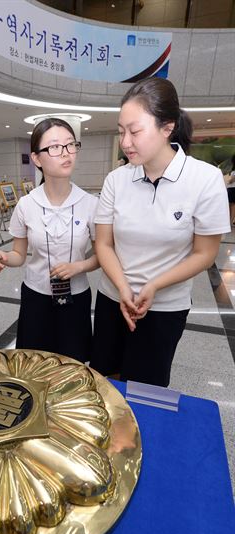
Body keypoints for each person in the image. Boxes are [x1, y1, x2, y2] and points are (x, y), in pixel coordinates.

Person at [90, 77, 230, 387]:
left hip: (165, 306)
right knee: (105, 380)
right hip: (113, 297)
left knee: (146, 388)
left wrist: (153, 285)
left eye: (135, 131)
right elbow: (104, 244)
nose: (126, 142)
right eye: (121, 131)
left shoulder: (204, 179)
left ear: (167, 127)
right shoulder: (117, 179)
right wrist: (124, 289)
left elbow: (204, 253)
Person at [0, 117, 99, 362]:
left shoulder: (91, 204)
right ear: (37, 158)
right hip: (36, 297)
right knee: (33, 364)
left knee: (73, 364)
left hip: (76, 297)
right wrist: (4, 257)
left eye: (71, 145)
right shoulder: (27, 204)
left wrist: (78, 266)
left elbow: (103, 254)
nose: (66, 153)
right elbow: (19, 254)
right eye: (55, 147)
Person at [226, 154, 235, 224]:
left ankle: (230, 221)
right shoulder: (233, 170)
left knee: (232, 205)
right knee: (231, 205)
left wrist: (228, 180)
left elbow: (232, 180)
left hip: (232, 189)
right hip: (231, 188)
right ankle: (230, 221)